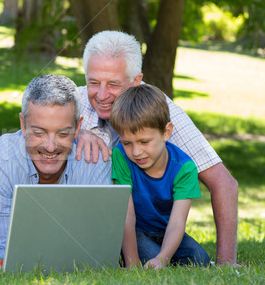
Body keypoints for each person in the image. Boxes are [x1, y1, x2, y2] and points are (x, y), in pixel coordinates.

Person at [77, 30, 239, 266]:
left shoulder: (159, 110)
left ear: (136, 81)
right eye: (93, 82)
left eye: (113, 84)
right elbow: (31, 136)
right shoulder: (71, 104)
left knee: (192, 259)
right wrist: (72, 133)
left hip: (145, 226)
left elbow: (224, 183)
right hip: (88, 227)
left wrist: (226, 263)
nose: (101, 95)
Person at [0, 75, 112, 261]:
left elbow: (98, 250)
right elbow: (3, 254)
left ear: (78, 127)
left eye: (63, 133)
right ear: (23, 125)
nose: (50, 146)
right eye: (39, 133)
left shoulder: (94, 159)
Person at [109, 84, 210, 269]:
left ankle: (161, 259)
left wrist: (163, 258)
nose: (136, 152)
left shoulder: (184, 168)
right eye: (127, 143)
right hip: (136, 230)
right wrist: (132, 263)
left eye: (144, 142)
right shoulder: (120, 156)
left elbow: (178, 222)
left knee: (199, 259)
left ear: (166, 132)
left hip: (166, 230)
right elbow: (127, 215)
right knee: (149, 256)